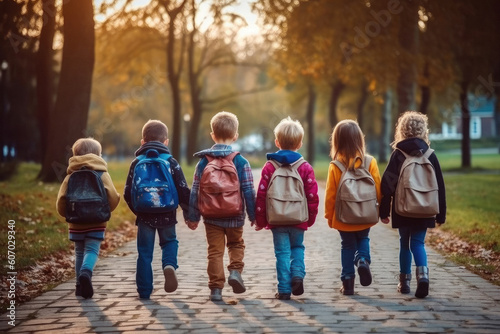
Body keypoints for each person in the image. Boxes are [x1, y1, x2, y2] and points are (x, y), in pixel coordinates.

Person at [187, 111, 256, 302]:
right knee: (236, 244)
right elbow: (249, 191)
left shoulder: (203, 161)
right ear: (235, 136)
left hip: (211, 217)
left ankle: (216, 289)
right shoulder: (241, 161)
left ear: (212, 135)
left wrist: (193, 217)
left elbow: (195, 191)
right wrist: (254, 216)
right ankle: (235, 271)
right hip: (235, 215)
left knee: (215, 251)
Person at [379, 111, 446, 298]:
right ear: (424, 130)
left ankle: (404, 282)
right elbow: (439, 186)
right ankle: (423, 276)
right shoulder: (431, 155)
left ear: (401, 131)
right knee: (418, 243)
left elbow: (387, 185)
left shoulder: (398, 155)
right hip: (425, 209)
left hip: (403, 209)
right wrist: (441, 215)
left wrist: (383, 210)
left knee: (404, 243)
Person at [124, 119, 191, 300]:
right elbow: (183, 189)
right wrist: (188, 212)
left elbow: (127, 192)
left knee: (144, 252)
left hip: (145, 214)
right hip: (167, 212)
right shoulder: (170, 161)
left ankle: (144, 291)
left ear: (142, 142)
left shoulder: (136, 161)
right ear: (166, 142)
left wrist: (138, 209)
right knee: (169, 242)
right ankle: (169, 264)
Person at [255, 117, 319, 300]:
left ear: (277, 142)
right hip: (299, 218)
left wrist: (260, 220)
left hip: (276, 219)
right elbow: (312, 195)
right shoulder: (305, 167)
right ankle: (297, 274)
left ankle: (283, 289)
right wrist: (310, 217)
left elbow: (261, 195)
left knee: (282, 253)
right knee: (297, 247)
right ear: (300, 143)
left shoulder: (270, 167)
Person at [56, 138, 121, 299]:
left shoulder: (70, 176)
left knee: (79, 251)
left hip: (76, 221)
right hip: (97, 220)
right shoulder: (102, 173)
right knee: (92, 249)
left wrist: (68, 215)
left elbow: (61, 201)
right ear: (98, 155)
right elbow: (112, 197)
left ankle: (79, 286)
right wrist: (106, 211)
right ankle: (86, 271)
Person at [324, 120, 382, 295]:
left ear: (337, 141)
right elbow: (378, 187)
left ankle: (348, 283)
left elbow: (331, 194)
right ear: (359, 139)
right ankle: (363, 260)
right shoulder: (370, 161)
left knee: (347, 246)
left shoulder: (335, 165)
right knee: (363, 239)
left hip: (344, 217)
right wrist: (378, 209)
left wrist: (329, 215)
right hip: (365, 214)